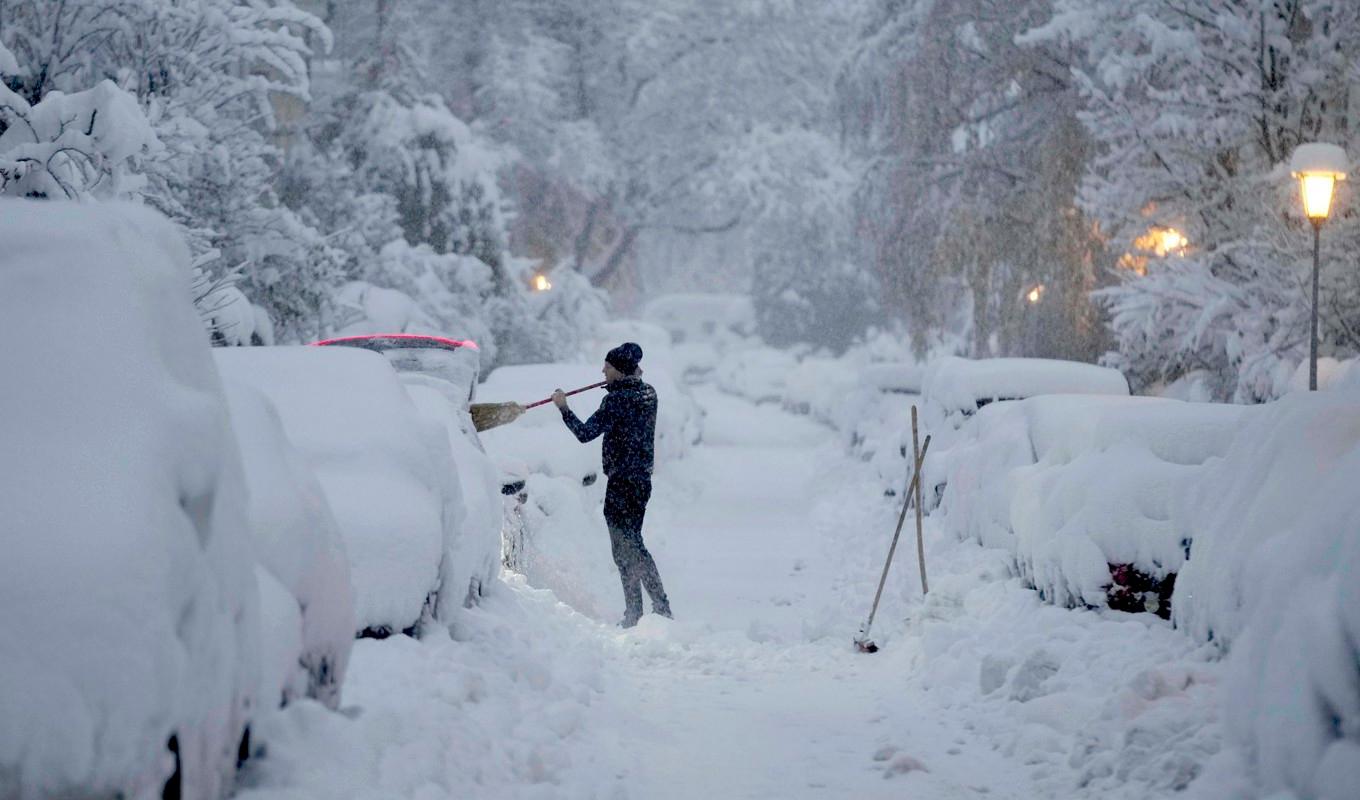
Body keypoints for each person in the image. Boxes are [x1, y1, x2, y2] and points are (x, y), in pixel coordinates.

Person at [553, 342, 672, 628]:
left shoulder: (618, 401)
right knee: (633, 543)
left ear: (619, 370)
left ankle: (639, 612)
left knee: (625, 549)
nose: (602, 371)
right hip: (641, 481)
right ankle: (655, 608)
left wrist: (563, 407)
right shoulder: (647, 393)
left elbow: (585, 433)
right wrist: (613, 387)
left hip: (621, 483)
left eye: (607, 367)